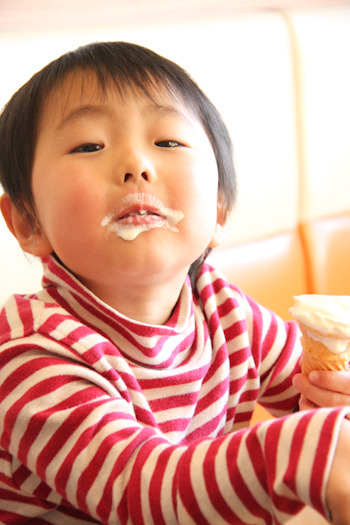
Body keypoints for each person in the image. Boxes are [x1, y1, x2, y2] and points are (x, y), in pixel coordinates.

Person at [0, 41, 350, 525]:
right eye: (88, 146)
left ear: (220, 211)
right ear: (27, 222)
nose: (135, 166)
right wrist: (298, 453)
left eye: (167, 142)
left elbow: (311, 394)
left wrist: (335, 396)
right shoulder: (31, 359)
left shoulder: (224, 310)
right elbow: (142, 493)